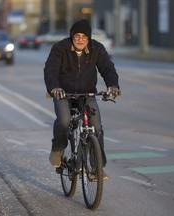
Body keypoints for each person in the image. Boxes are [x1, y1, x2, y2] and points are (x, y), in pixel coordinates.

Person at [44, 19, 120, 179]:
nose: (80, 39)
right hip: (62, 93)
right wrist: (54, 88)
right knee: (64, 121)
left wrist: (112, 85)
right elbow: (50, 70)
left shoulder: (96, 49)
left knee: (96, 127)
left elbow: (108, 68)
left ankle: (96, 168)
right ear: (72, 36)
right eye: (77, 36)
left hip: (87, 94)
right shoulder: (60, 48)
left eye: (84, 37)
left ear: (89, 38)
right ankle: (58, 148)